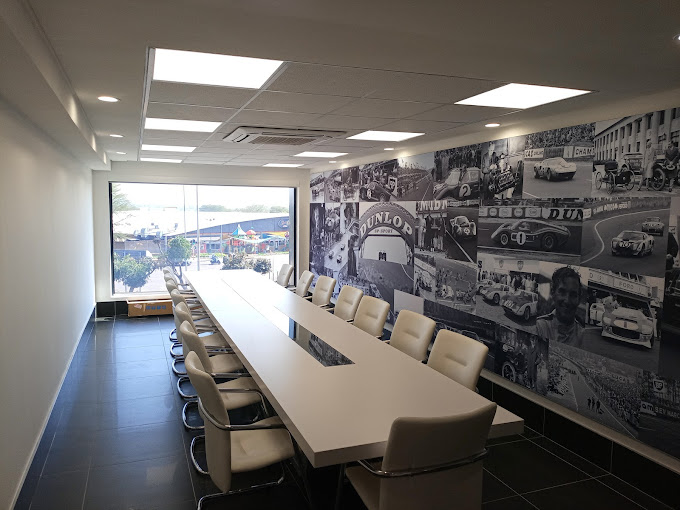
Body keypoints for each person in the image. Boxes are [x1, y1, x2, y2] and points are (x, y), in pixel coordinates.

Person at [536, 266, 584, 348]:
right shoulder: (540, 327)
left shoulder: (582, 335)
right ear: (553, 293)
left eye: (573, 295)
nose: (567, 301)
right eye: (562, 292)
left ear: (579, 299)